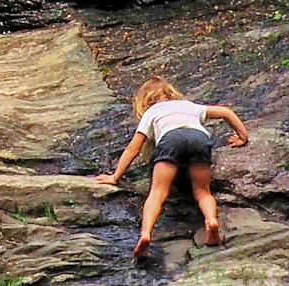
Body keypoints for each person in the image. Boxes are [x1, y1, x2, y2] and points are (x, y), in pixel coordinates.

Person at [95, 76, 249, 258]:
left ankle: (145, 234)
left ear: (144, 102)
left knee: (158, 193)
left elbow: (133, 148)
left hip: (171, 139)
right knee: (202, 191)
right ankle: (212, 221)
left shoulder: (151, 112)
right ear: (170, 94)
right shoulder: (187, 105)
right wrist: (243, 137)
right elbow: (225, 112)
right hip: (198, 138)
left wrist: (115, 176)